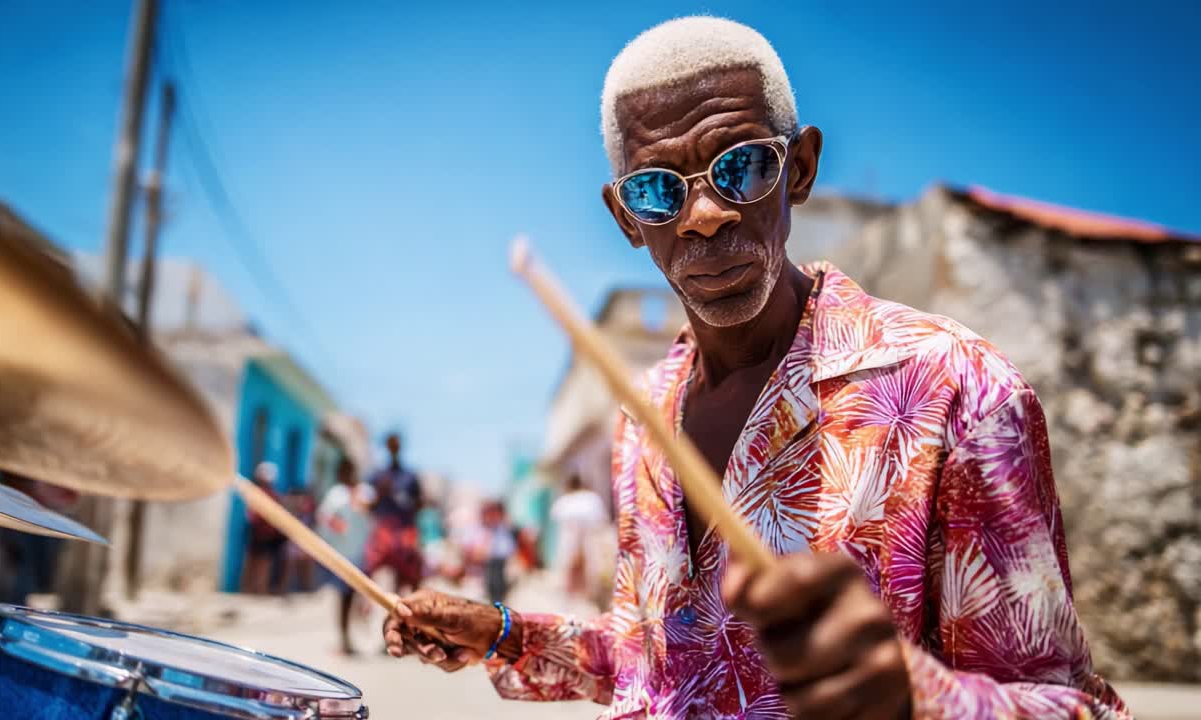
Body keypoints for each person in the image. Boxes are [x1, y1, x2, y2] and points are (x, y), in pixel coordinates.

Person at [381, 17, 1130, 720]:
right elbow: (655, 663)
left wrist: (914, 697)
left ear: (799, 169)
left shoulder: (956, 390)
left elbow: (1073, 706)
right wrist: (503, 633)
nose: (704, 215)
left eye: (740, 167)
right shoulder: (645, 411)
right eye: (657, 190)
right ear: (626, 218)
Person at [316, 457, 374, 654]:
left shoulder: (363, 491)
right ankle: (344, 639)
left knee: (356, 596)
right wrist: (337, 527)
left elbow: (371, 510)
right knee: (344, 596)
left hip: (361, 554)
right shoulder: (336, 494)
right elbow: (325, 517)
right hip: (342, 555)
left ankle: (349, 636)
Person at [365, 433, 424, 595]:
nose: (393, 449)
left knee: (409, 575)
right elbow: (368, 505)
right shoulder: (377, 476)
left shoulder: (410, 477)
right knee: (371, 569)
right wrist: (380, 493)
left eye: (395, 445)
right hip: (384, 530)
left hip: (404, 530)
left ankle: (405, 605)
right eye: (391, 445)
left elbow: (419, 504)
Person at [549, 474, 608, 603]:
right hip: (587, 537)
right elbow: (602, 520)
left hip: (573, 538)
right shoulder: (591, 499)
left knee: (571, 568)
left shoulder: (565, 501)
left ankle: (572, 597)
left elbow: (555, 517)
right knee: (590, 570)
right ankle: (590, 596)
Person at [242, 462, 284, 595]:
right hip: (261, 533)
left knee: (260, 563)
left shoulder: (268, 494)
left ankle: (256, 590)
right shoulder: (265, 494)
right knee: (258, 562)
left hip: (265, 534)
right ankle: (254, 590)